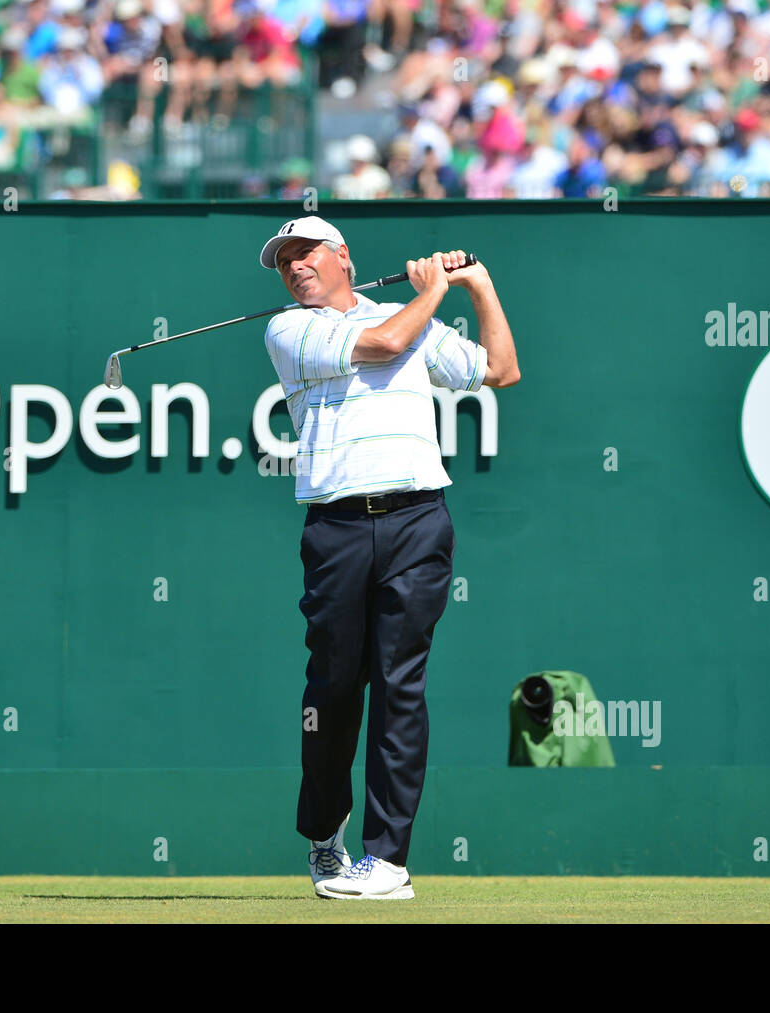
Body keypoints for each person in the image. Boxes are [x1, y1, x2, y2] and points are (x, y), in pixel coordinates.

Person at [257, 216, 519, 899]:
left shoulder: (410, 315)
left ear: (342, 255)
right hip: (337, 525)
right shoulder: (291, 329)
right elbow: (384, 342)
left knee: (401, 684)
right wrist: (432, 290)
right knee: (335, 688)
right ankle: (325, 833)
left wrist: (477, 285)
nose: (294, 267)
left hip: (417, 519)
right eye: (284, 261)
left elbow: (499, 370)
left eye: (305, 252)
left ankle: (389, 861)